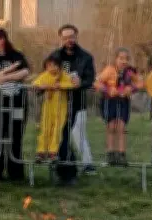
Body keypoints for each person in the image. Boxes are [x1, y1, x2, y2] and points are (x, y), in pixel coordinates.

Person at [0, 28, 30, 182]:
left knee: (16, 136)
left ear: (2, 40)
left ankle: (16, 171)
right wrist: (7, 75)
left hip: (16, 104)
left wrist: (2, 77)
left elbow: (25, 72)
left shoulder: (17, 55)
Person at [49, 24, 96, 179]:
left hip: (77, 104)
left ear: (76, 37)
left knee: (73, 135)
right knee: (61, 136)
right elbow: (46, 75)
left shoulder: (86, 57)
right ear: (60, 39)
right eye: (65, 37)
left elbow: (90, 79)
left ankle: (74, 168)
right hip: (57, 104)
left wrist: (80, 83)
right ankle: (66, 168)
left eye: (71, 37)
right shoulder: (54, 56)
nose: (69, 40)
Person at [95, 48, 142, 167]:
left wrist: (131, 89)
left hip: (123, 101)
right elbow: (97, 82)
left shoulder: (130, 72)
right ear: (116, 59)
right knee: (111, 127)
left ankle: (121, 155)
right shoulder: (109, 70)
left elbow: (141, 83)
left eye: (126, 59)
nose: (124, 61)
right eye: (121, 58)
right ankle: (110, 154)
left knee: (121, 127)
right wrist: (108, 89)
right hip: (109, 100)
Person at [32, 54, 73, 162]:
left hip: (60, 108)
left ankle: (53, 152)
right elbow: (35, 83)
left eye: (54, 65)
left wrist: (60, 85)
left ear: (59, 66)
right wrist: (44, 86)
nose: (51, 68)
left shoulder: (63, 75)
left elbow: (71, 84)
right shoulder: (45, 75)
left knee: (56, 130)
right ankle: (41, 151)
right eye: (49, 66)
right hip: (48, 107)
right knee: (45, 129)